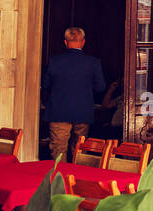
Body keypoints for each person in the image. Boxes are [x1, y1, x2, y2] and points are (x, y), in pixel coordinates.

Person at [40, 26, 106, 161]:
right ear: (83, 42)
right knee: (79, 149)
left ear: (65, 42)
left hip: (58, 113)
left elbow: (45, 85)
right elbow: (100, 87)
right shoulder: (93, 63)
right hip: (82, 112)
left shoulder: (54, 61)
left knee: (58, 149)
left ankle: (59, 179)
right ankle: (76, 180)